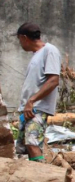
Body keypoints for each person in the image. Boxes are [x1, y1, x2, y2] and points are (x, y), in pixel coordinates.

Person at [15, 23, 61, 162]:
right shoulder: (37, 54)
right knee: (24, 148)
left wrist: (32, 100)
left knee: (32, 143)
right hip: (29, 109)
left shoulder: (50, 50)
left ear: (24, 38)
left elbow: (53, 80)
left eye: (19, 39)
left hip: (37, 108)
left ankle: (41, 178)